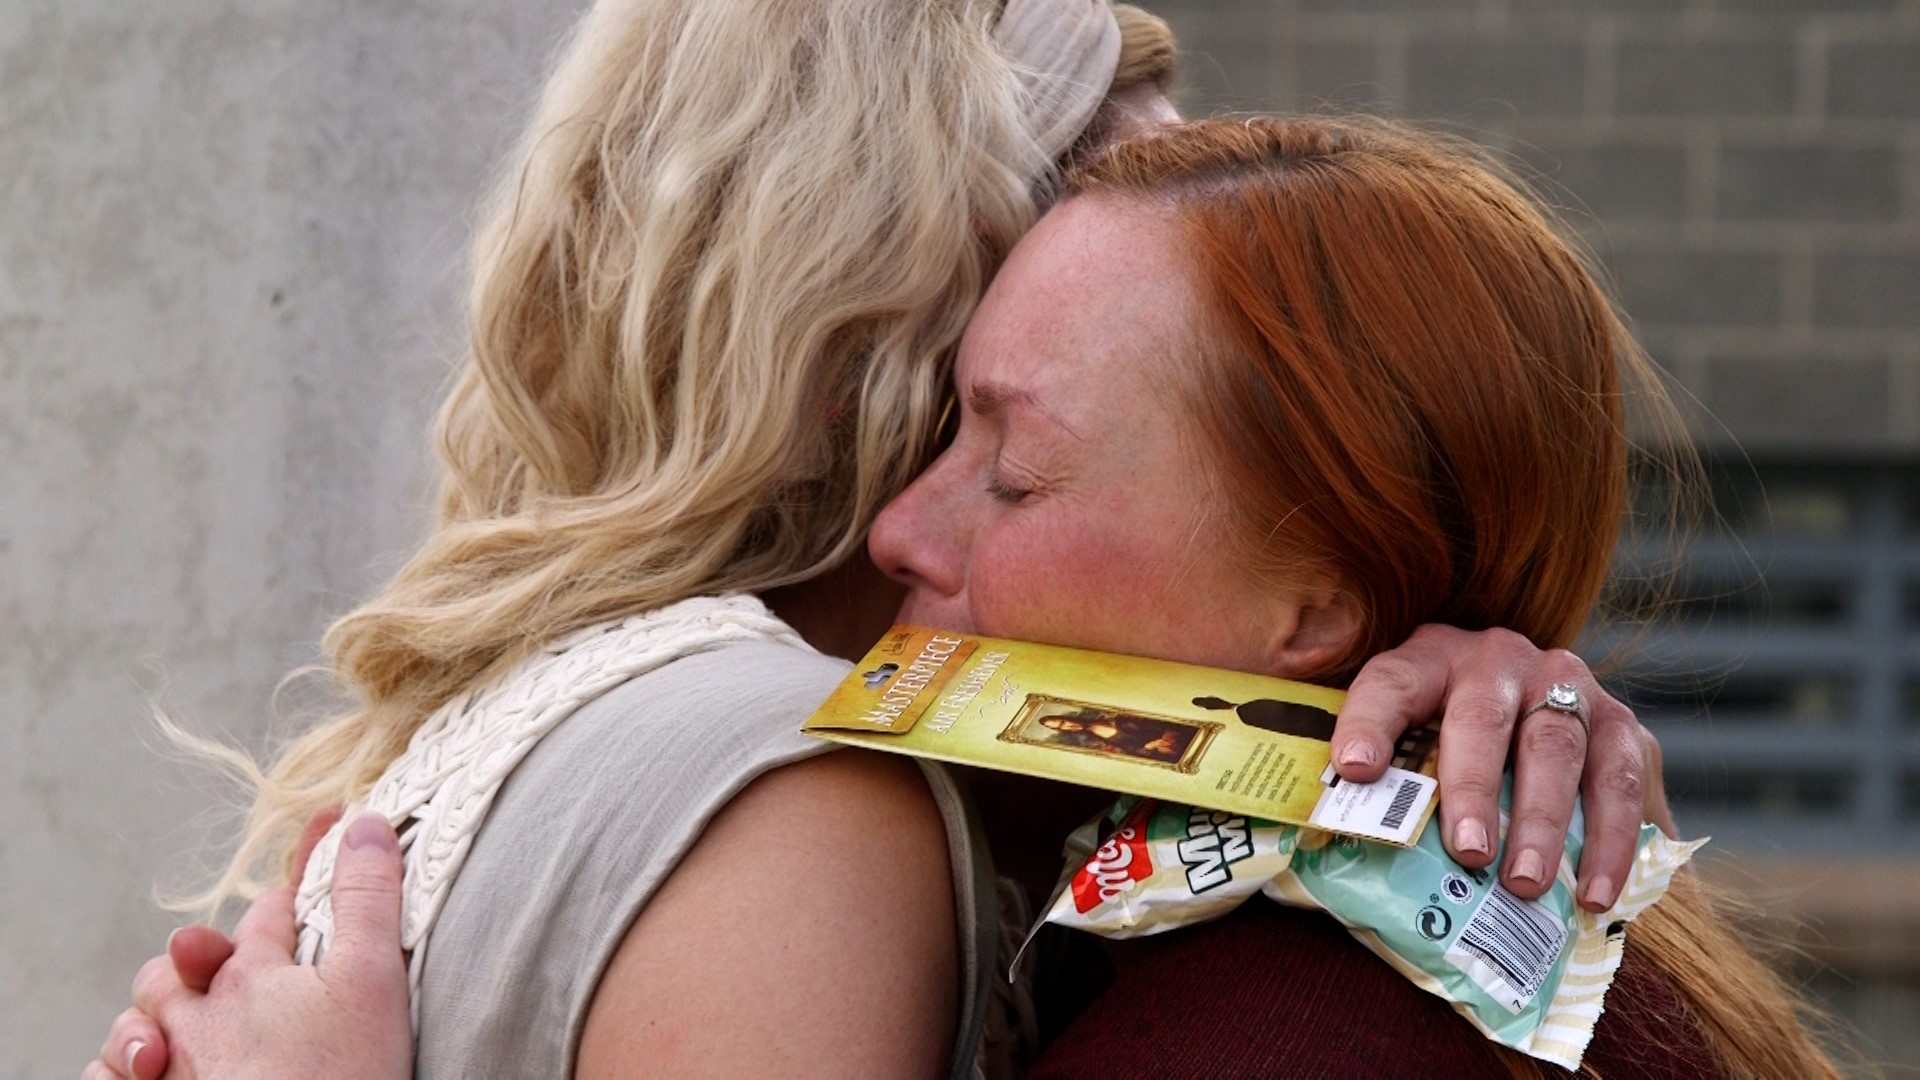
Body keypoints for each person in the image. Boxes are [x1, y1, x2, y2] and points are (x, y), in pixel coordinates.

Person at [86, 1, 1670, 1076]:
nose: (921, 523)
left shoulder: (696, 742)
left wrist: (1420, 726)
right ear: (858, 353)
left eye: (1023, 457)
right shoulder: (804, 785)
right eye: (970, 406)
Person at [863, 116, 1841, 1078]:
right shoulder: (1152, 951)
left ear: (1322, 613)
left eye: (1019, 476)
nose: (895, 533)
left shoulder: (1282, 1038)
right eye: (944, 430)